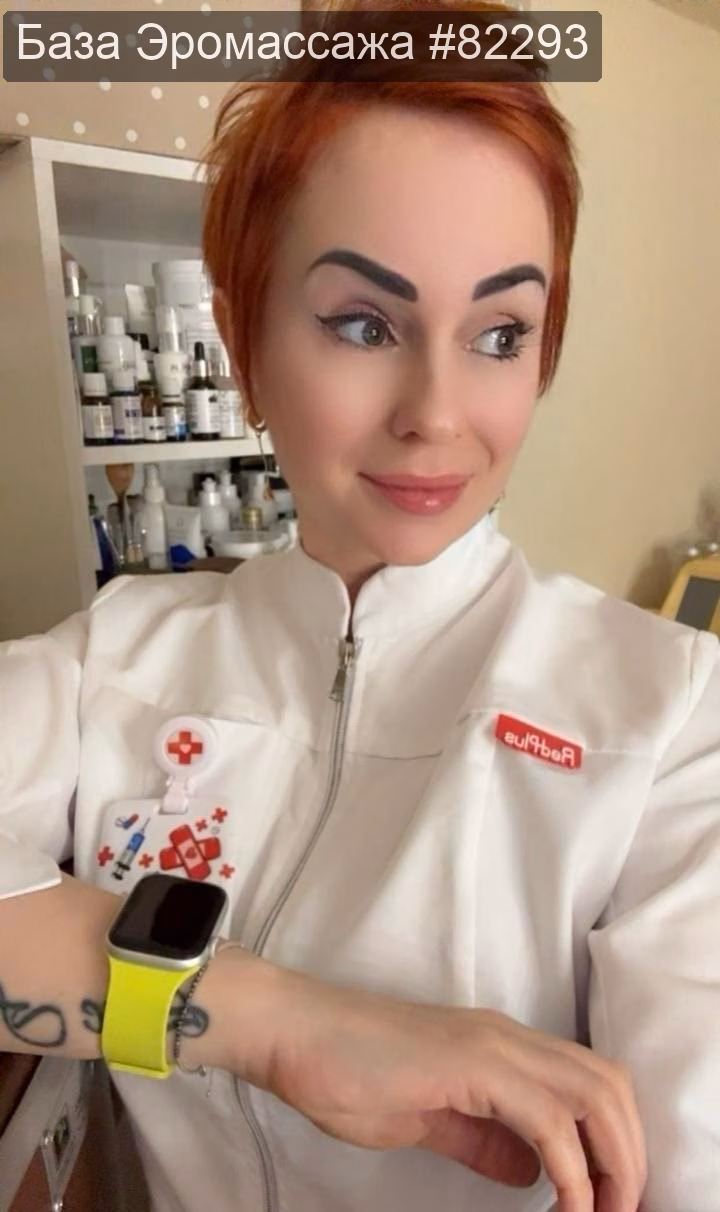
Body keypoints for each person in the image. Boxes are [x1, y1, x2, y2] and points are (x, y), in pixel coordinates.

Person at [1, 5, 718, 1211]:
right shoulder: (117, 657)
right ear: (243, 341)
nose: (436, 412)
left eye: (501, 333)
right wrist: (282, 1025)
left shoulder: (668, 717)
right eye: (364, 324)